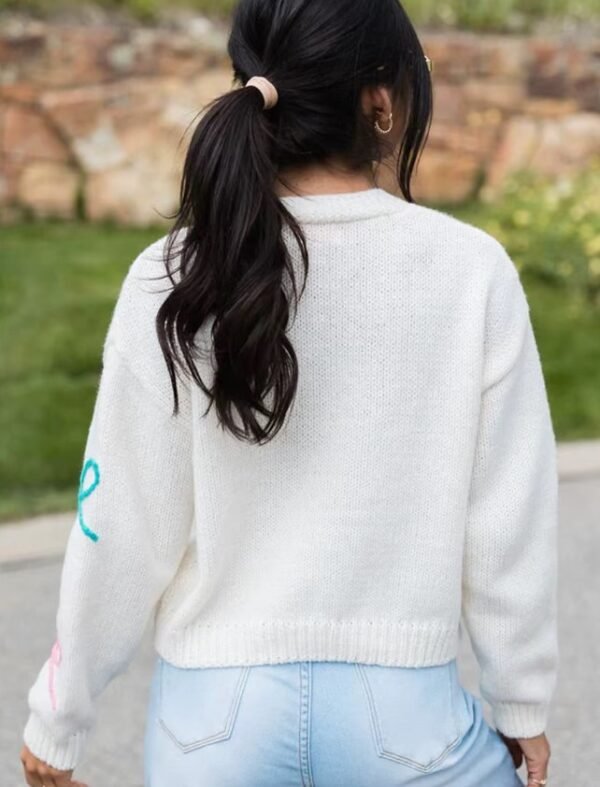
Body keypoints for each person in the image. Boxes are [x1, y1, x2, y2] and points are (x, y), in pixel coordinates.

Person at [20, 1, 558, 786]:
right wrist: (521, 707)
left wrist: (58, 719)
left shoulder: (172, 275)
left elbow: (122, 519)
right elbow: (507, 521)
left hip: (210, 729)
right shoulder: (471, 270)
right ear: (382, 102)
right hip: (404, 722)